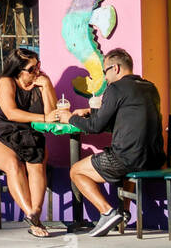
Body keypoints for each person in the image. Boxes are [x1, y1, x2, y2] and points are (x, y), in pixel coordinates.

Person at [53, 48, 164, 236]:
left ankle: (107, 212)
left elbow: (96, 127)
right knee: (129, 167)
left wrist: (69, 118)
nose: (105, 77)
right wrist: (89, 111)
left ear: (116, 68)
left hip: (128, 159)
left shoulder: (116, 88)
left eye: (106, 71)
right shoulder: (150, 87)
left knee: (76, 171)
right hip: (154, 159)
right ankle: (124, 213)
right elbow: (121, 123)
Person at [0, 47, 58, 237]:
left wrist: (46, 86)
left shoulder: (40, 82)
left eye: (38, 66)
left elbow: (52, 112)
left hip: (27, 136)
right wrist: (44, 119)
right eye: (31, 69)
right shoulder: (7, 81)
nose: (36, 72)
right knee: (13, 164)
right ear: (18, 70)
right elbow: (11, 113)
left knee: (37, 163)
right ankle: (30, 213)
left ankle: (34, 217)